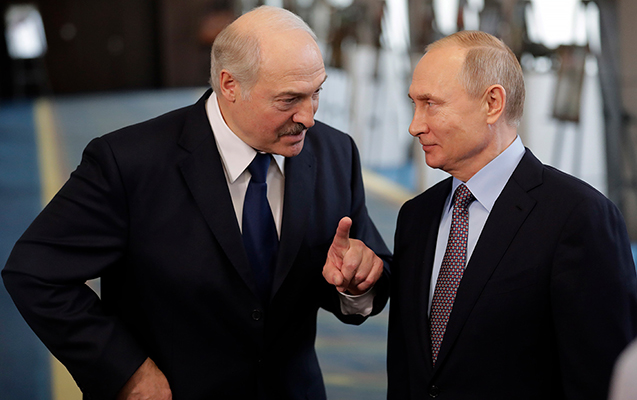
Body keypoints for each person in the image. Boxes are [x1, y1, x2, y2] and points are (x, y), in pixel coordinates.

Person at [2, 6, 391, 400]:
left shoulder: (335, 153)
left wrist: (357, 284)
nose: (308, 117)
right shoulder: (129, 163)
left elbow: (366, 270)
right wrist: (126, 373)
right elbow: (35, 272)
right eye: (289, 99)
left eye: (317, 92)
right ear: (230, 84)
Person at [387, 30, 637, 400]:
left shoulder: (579, 217)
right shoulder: (416, 217)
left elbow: (601, 378)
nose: (415, 125)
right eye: (414, 104)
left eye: (431, 104)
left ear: (492, 103)